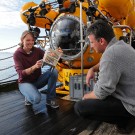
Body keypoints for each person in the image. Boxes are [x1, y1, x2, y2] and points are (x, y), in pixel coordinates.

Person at [74, 19, 135, 133]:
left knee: (80, 107)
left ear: (101, 41)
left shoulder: (110, 55)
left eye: (92, 42)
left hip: (131, 104)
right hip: (131, 94)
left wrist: (86, 97)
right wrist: (92, 69)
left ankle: (125, 121)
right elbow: (105, 62)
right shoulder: (122, 46)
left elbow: (101, 92)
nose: (91, 47)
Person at [13, 30, 60, 109]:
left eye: (32, 40)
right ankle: (28, 95)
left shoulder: (37, 50)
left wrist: (57, 54)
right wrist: (34, 67)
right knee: (36, 99)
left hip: (37, 81)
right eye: (28, 40)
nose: (31, 42)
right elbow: (21, 73)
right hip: (24, 83)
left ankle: (50, 99)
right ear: (22, 40)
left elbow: (49, 58)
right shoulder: (17, 54)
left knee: (53, 72)